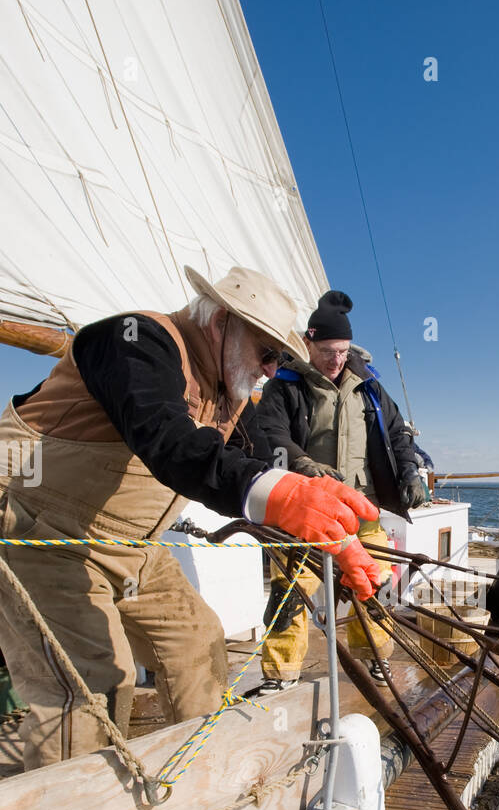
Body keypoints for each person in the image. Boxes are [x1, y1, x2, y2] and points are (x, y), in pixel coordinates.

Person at [0, 266, 380, 769]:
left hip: (135, 548)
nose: (271, 370)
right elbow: (169, 440)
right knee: (88, 684)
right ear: (222, 322)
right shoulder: (131, 341)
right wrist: (281, 495)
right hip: (40, 532)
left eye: (280, 358)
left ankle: (198, 775)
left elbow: (264, 464)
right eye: (267, 352)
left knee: (197, 643)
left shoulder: (230, 391)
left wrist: (333, 535)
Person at [250, 290, 426, 688]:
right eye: (328, 350)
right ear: (309, 343)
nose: (336, 359)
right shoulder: (284, 384)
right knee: (291, 589)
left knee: (374, 582)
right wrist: (305, 466)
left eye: (343, 351)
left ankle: (375, 658)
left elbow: (398, 434)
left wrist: (410, 471)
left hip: (363, 507)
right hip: (307, 507)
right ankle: (280, 673)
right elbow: (270, 433)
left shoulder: (369, 387)